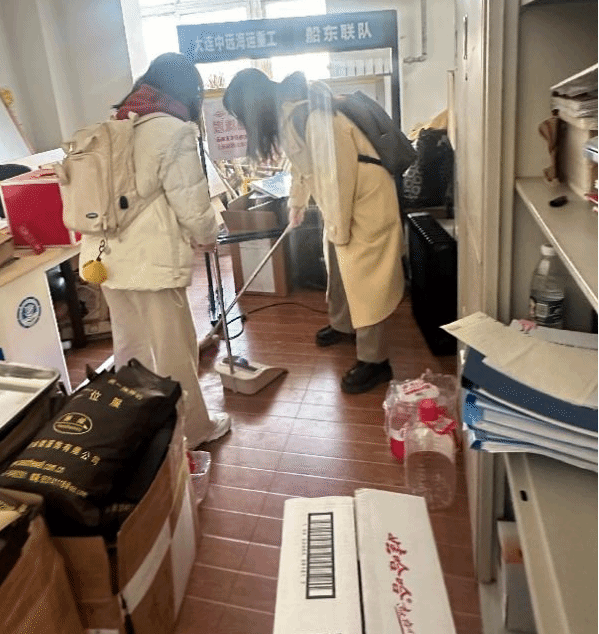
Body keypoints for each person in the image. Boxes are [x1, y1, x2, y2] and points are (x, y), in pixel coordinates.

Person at [79, 53, 230, 447]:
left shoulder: (113, 124)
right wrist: (208, 234)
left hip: (105, 259)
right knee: (174, 351)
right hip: (152, 263)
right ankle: (192, 430)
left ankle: (139, 426)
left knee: (130, 347)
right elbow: (192, 203)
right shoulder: (173, 131)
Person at [223, 69, 405, 394]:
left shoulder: (313, 115)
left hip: (365, 200)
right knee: (338, 266)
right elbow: (302, 167)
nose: (244, 124)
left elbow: (337, 175)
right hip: (345, 200)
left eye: (241, 116)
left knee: (366, 279)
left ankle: (376, 361)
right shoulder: (291, 114)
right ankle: (343, 325)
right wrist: (296, 204)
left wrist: (338, 225)